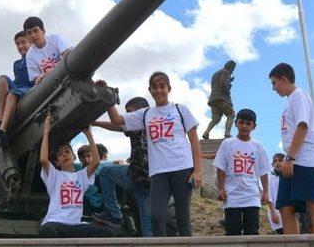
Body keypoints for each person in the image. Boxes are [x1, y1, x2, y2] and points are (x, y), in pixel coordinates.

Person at [107, 71, 202, 237]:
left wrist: (198, 170)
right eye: (154, 87)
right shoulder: (145, 114)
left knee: (182, 217)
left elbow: (194, 141)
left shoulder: (181, 110)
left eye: (162, 86)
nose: (159, 90)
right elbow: (116, 120)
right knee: (156, 216)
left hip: (182, 168)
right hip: (158, 173)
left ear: (169, 88)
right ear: (150, 90)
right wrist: (106, 97)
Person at [269, 62, 314, 234]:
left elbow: (303, 126)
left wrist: (290, 157)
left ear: (284, 78)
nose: (273, 88)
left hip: (305, 160)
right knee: (285, 206)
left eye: (274, 83)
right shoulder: (290, 100)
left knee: (313, 202)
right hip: (292, 161)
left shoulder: (299, 95)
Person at [37, 115, 113, 238]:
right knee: (47, 231)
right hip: (55, 223)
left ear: (74, 157)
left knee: (109, 233)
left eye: (67, 152)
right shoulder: (54, 176)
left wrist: (89, 135)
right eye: (60, 154)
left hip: (76, 225)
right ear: (57, 162)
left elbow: (96, 162)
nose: (64, 155)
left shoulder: (81, 176)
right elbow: (43, 160)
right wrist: (46, 131)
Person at [91, 96, 152, 236]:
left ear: (140, 111)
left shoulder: (138, 121)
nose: (128, 116)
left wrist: (96, 122)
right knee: (147, 225)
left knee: (105, 171)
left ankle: (113, 213)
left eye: (130, 112)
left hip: (136, 176)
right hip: (148, 182)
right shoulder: (154, 125)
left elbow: (117, 124)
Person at [213, 109, 270, 236]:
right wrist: (221, 188)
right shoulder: (227, 144)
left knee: (252, 232)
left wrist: (265, 191)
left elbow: (264, 170)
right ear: (235, 123)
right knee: (233, 232)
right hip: (232, 196)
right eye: (241, 122)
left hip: (251, 196)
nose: (244, 126)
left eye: (248, 123)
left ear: (254, 126)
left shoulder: (258, 146)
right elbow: (220, 168)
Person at [0, 31, 34, 147]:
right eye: (18, 44)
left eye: (24, 42)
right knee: (2, 79)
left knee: (12, 94)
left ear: (30, 42)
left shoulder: (35, 57)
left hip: (29, 87)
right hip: (18, 87)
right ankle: (0, 117)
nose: (21, 46)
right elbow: (16, 81)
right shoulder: (17, 63)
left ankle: (3, 129)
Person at [23, 16, 71, 85]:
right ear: (27, 37)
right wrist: (39, 78)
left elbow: (67, 56)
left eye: (35, 30)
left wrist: (53, 71)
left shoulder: (56, 38)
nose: (33, 35)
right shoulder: (30, 55)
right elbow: (35, 79)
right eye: (29, 33)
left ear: (43, 31)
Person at [202, 60, 236, 140]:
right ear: (231, 67)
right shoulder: (226, 72)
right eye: (233, 69)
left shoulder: (216, 73)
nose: (232, 71)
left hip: (213, 99)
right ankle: (227, 134)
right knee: (231, 115)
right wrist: (228, 90)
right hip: (222, 98)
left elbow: (216, 84)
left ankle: (206, 132)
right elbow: (223, 83)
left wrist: (229, 80)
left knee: (216, 119)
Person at [268, 153, 285, 234]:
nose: (277, 163)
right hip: (276, 212)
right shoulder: (270, 178)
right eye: (275, 161)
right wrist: (273, 213)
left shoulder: (289, 176)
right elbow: (269, 197)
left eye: (280, 160)